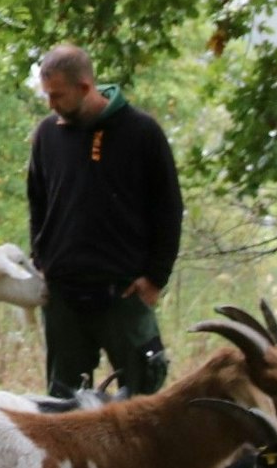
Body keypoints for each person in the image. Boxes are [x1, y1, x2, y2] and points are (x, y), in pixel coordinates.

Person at [27, 43, 184, 396]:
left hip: (124, 294)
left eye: (58, 96)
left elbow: (169, 209)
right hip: (64, 295)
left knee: (143, 402)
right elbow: (37, 202)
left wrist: (155, 278)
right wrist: (42, 261)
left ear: (85, 87)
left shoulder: (142, 132)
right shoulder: (47, 134)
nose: (51, 105)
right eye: (46, 95)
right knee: (62, 406)